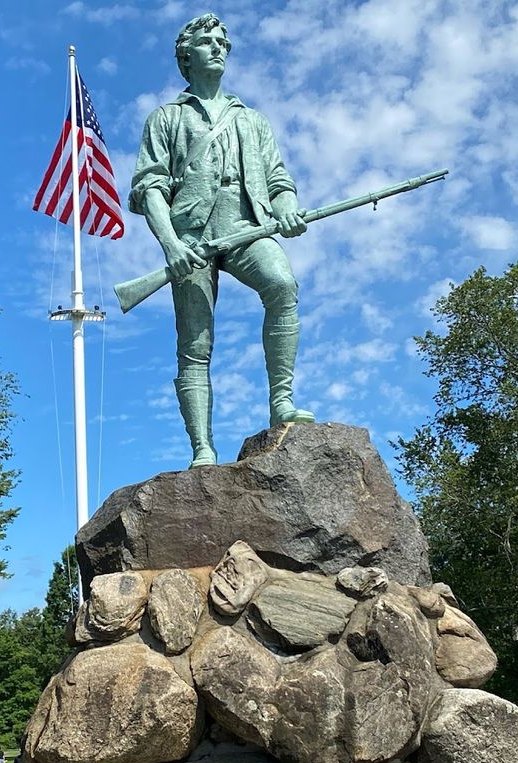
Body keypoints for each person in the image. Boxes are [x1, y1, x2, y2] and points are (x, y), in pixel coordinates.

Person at [129, 13, 314, 468]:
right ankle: (202, 448)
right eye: (207, 42)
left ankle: (282, 402)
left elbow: (278, 179)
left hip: (247, 227)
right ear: (185, 57)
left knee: (282, 284)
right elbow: (150, 187)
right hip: (191, 239)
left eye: (222, 42)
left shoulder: (252, 120)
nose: (218, 48)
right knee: (195, 345)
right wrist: (171, 244)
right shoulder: (166, 118)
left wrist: (287, 206)